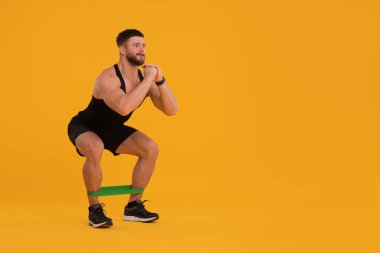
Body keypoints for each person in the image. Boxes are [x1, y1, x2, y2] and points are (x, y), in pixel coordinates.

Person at [67, 29, 178, 228]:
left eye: (143, 45)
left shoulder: (144, 80)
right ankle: (95, 210)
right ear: (122, 50)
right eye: (136, 45)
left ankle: (134, 206)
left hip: (113, 129)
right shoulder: (107, 77)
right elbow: (124, 106)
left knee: (150, 148)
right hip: (86, 126)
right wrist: (147, 80)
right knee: (95, 147)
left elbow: (172, 110)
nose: (142, 49)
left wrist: (159, 80)